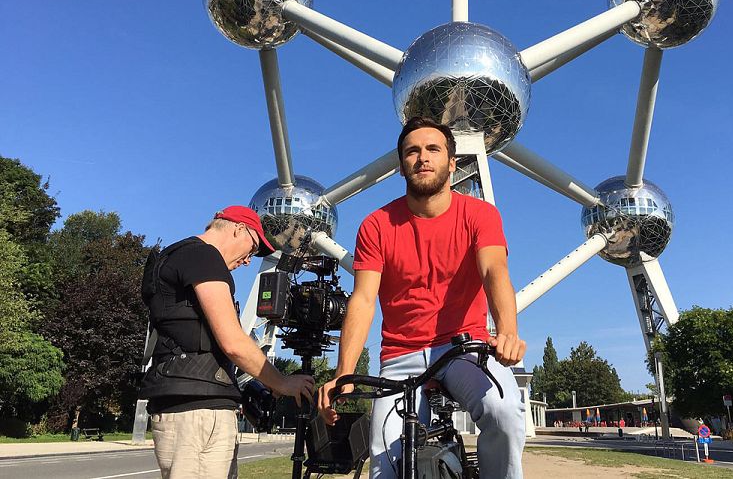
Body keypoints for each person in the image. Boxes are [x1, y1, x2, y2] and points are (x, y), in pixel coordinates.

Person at [318, 117, 527, 478]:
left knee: (503, 411)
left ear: (452, 161)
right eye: (412, 151)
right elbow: (364, 299)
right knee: (383, 462)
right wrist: (344, 371)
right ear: (401, 165)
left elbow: (495, 271)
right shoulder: (376, 225)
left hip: (463, 345)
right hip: (402, 354)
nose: (422, 158)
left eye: (433, 149)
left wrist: (507, 330)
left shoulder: (479, 215)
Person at [139, 206, 316, 478]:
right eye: (254, 248)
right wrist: (281, 382)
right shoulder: (203, 255)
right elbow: (232, 341)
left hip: (186, 405)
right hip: (198, 414)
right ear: (238, 228)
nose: (249, 260)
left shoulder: (179, 255)